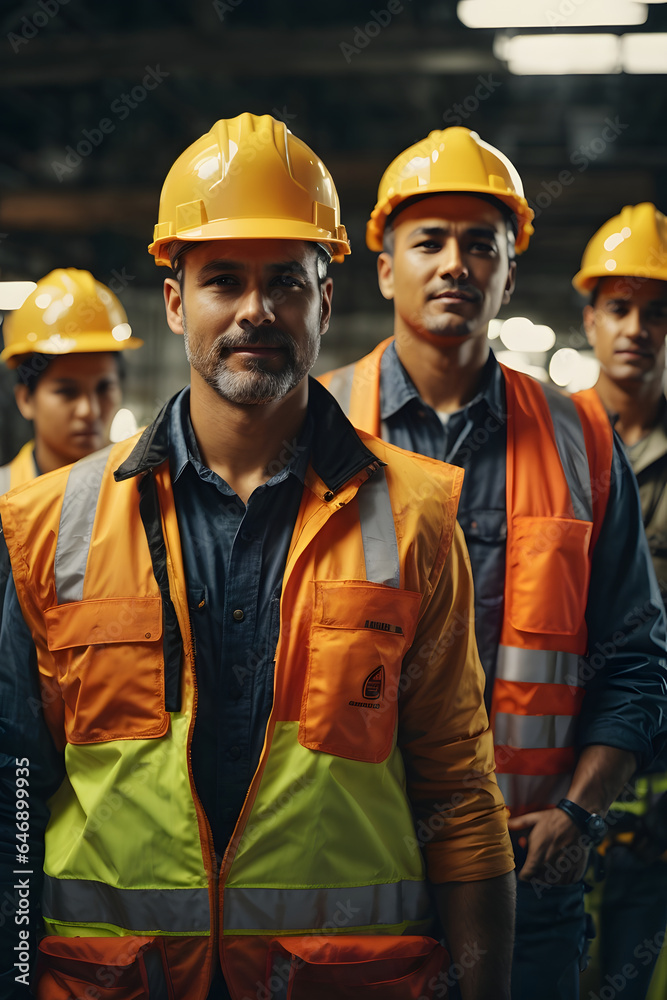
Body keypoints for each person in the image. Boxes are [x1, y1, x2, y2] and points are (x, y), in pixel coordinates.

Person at [0, 114, 516, 1000]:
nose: (255, 311)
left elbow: (458, 794)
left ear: (324, 298)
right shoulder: (45, 521)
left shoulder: (418, 514)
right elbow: (13, 786)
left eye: (285, 281)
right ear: (174, 301)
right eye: (223, 281)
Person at [320, 126, 667, 1000]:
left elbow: (634, 655)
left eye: (482, 244)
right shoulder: (318, 426)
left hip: (528, 876)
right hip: (354, 875)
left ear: (509, 273)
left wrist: (580, 815)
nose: (454, 264)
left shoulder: (580, 437)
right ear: (384, 267)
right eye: (427, 241)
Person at [574, 202, 667, 1000]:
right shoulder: (548, 444)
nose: (636, 327)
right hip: (557, 775)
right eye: (618, 307)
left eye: (656, 311)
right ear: (590, 319)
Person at [0, 267, 142, 491]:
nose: (90, 410)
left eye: (104, 388)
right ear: (25, 399)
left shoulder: (145, 494)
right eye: (67, 391)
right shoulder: (4, 500)